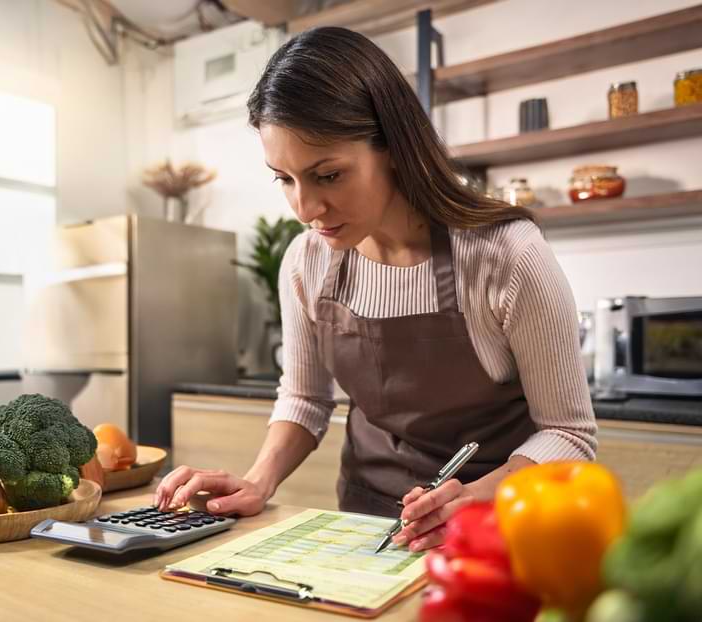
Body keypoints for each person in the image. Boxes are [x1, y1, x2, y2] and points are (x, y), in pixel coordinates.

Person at [155, 27, 597, 552]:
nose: (305, 209)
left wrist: (476, 497)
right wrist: (259, 480)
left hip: (495, 530)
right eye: (285, 179)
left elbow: (569, 434)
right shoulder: (306, 261)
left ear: (391, 146)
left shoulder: (504, 256)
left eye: (329, 175)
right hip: (364, 530)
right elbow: (304, 398)